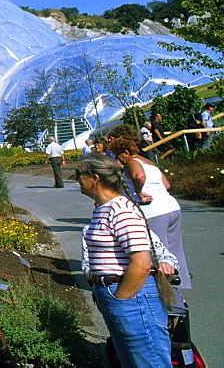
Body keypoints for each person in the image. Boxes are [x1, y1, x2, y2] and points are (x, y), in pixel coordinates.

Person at [76, 153, 172, 367]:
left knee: (149, 361)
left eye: (79, 174)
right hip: (114, 294)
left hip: (131, 297)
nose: (76, 179)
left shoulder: (121, 210)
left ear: (94, 178)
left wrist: (121, 299)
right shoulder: (103, 209)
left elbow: (142, 262)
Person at [110, 137, 191, 290]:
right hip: (171, 207)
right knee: (174, 250)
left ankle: (168, 295)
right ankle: (180, 288)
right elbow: (167, 184)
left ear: (126, 152)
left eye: (117, 154)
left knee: (157, 254)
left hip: (153, 212)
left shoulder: (133, 161)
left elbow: (139, 176)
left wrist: (139, 193)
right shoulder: (148, 162)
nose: (116, 159)